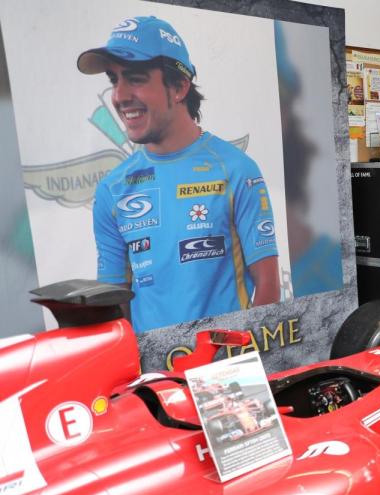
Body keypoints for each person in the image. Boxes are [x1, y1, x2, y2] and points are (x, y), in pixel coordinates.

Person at [81, 16, 280, 333]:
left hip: (226, 370)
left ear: (178, 87)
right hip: (154, 376)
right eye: (113, 80)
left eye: (134, 78)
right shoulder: (112, 189)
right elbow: (112, 304)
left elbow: (268, 287)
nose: (118, 96)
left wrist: (244, 360)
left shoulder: (236, 169)